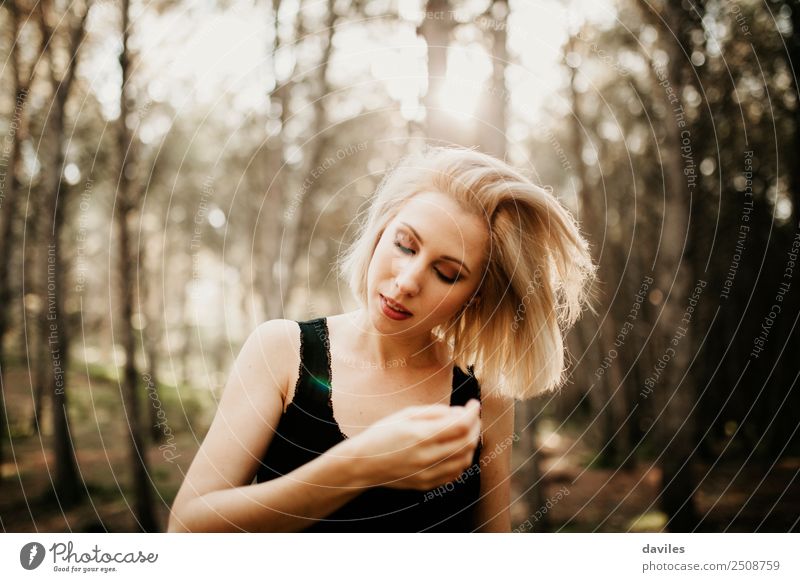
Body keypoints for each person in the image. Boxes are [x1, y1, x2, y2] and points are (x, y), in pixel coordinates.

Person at [167, 146, 596, 532]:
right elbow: (186, 531)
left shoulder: (481, 394)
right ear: (380, 230)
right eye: (406, 245)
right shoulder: (282, 352)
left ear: (475, 296)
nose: (407, 281)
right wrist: (358, 466)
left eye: (447, 273)